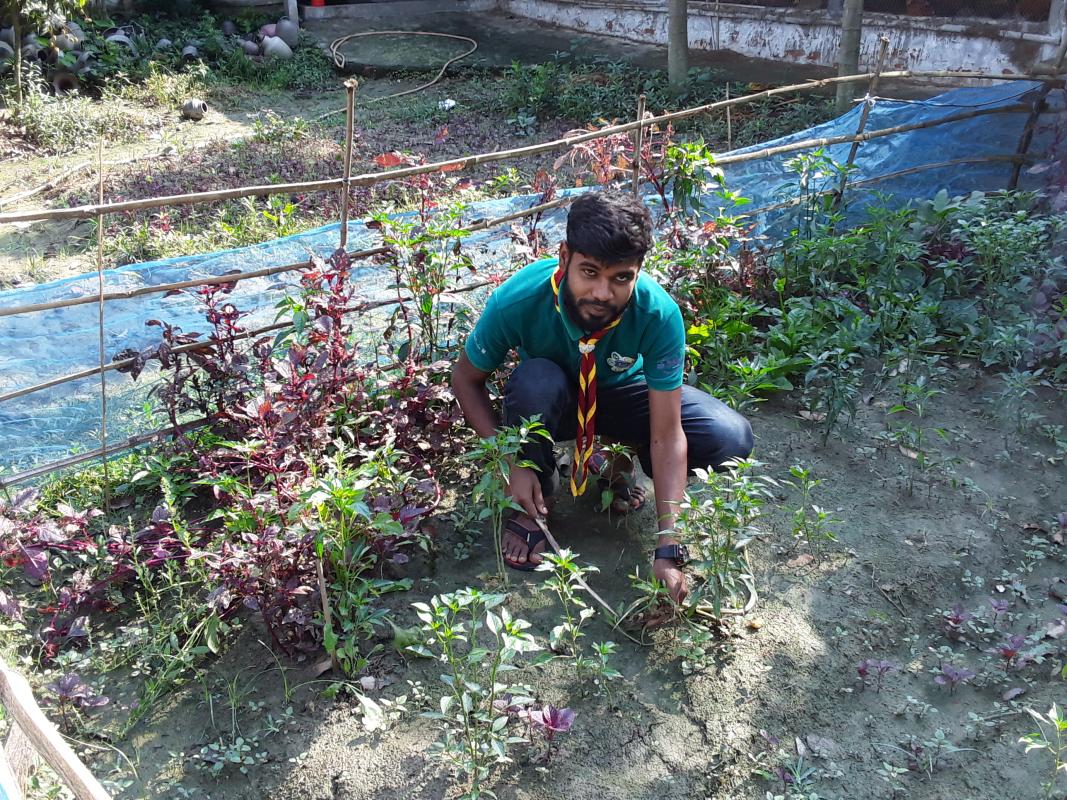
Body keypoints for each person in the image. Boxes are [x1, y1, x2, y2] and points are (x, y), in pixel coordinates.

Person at [451, 191, 753, 603]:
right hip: (551, 402)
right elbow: (466, 380)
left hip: (621, 397)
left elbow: (667, 432)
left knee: (729, 437)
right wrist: (509, 462)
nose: (602, 292)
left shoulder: (657, 313)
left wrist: (669, 545)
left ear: (638, 272)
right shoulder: (519, 299)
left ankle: (617, 457)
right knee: (535, 379)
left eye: (620, 278)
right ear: (564, 258)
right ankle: (533, 496)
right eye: (589, 271)